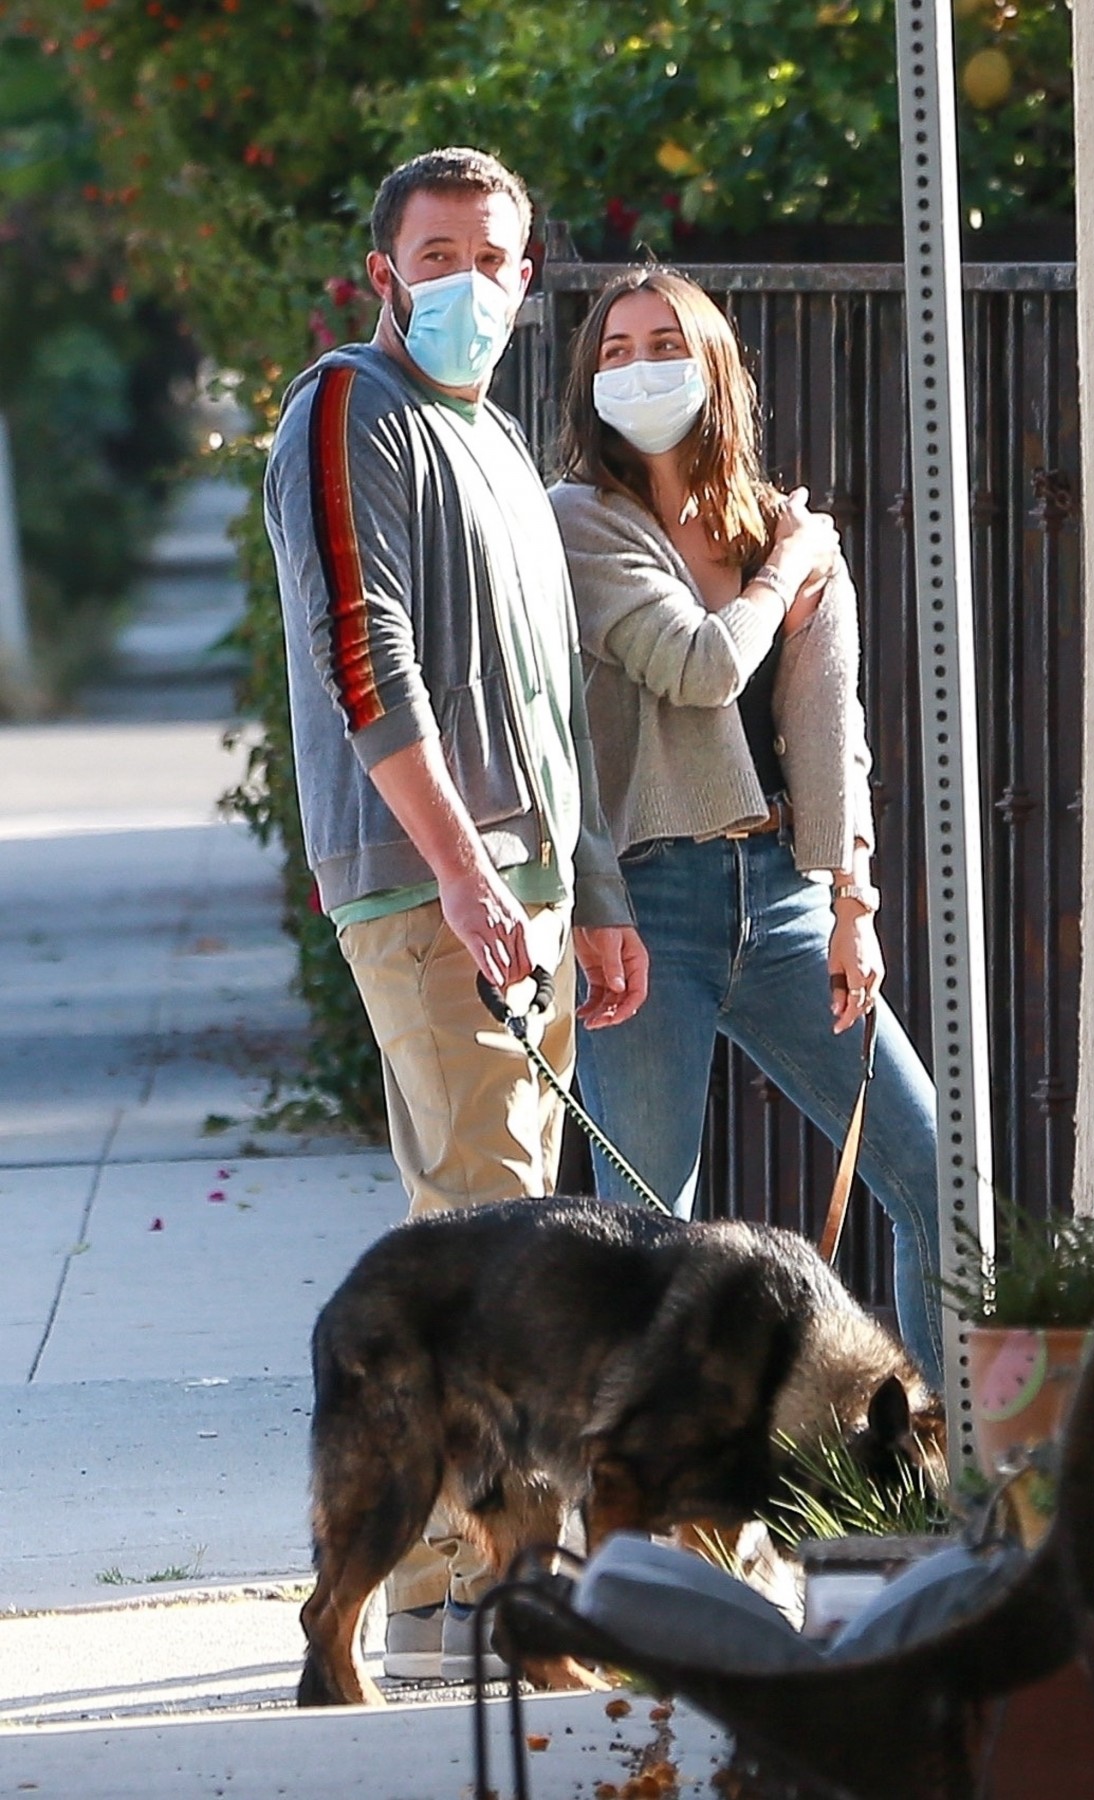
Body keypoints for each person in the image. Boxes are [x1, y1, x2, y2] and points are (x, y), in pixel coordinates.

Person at [263, 148, 647, 1684]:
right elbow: (370, 656)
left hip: (533, 892)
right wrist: (469, 875)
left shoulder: (490, 441)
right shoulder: (349, 409)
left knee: (488, 1234)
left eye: (494, 254)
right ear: (383, 274)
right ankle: (472, 1602)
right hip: (438, 891)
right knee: (491, 1255)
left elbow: (560, 710)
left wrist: (593, 895)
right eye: (437, 254)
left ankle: (434, 1585)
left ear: (529, 265)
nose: (469, 282)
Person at [549, 267, 942, 1383]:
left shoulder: (778, 528)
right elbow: (699, 665)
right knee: (648, 1232)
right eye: (614, 351)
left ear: (714, 364)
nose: (637, 365)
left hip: (783, 898)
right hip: (646, 906)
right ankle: (659, 1508)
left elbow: (832, 736)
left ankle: (966, 1472)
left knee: (936, 1176)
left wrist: (852, 903)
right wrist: (784, 574)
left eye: (663, 342)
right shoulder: (581, 521)